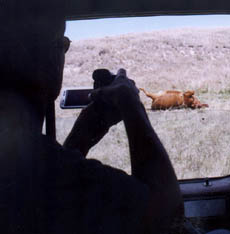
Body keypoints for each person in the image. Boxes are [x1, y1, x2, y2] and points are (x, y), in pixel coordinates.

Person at [0, 1, 183, 233]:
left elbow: (56, 192)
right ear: (42, 56)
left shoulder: (31, 161)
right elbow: (169, 219)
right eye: (61, 44)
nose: (62, 53)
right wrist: (131, 104)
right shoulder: (30, 161)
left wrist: (81, 138)